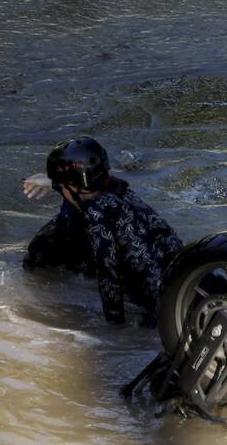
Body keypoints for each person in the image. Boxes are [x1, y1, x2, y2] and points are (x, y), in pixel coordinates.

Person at [22, 136, 183, 325]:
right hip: (183, 281)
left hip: (162, 309)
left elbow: (109, 275)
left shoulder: (96, 213)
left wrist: (115, 330)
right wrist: (57, 184)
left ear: (73, 186)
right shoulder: (118, 190)